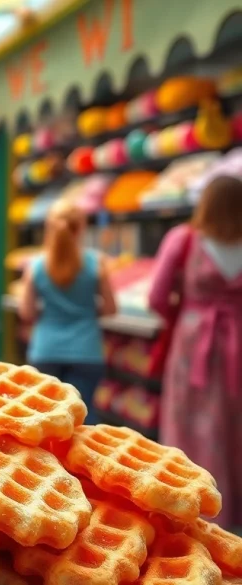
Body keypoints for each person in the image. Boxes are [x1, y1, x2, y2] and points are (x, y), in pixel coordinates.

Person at [148, 175, 242, 528]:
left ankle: (188, 508)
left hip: (193, 342)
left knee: (189, 423)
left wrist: (186, 311)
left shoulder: (184, 239)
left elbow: (156, 296)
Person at [18, 198, 116, 422]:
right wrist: (88, 312)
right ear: (81, 227)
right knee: (83, 419)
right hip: (87, 350)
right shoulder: (96, 262)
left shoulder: (36, 265)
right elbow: (111, 308)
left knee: (47, 419)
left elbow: (27, 312)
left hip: (46, 349)